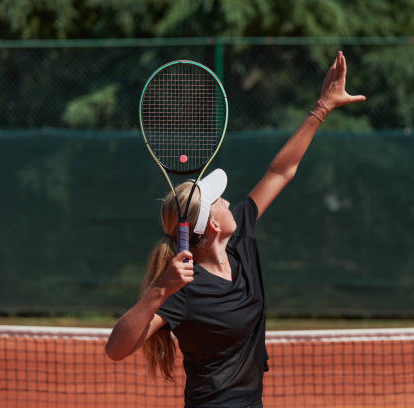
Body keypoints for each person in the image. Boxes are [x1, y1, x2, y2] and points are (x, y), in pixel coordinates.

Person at [105, 51, 365, 407]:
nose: (228, 200)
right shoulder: (181, 289)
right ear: (212, 225)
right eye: (219, 200)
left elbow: (280, 172)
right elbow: (116, 349)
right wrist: (159, 290)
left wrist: (321, 108)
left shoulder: (240, 238)